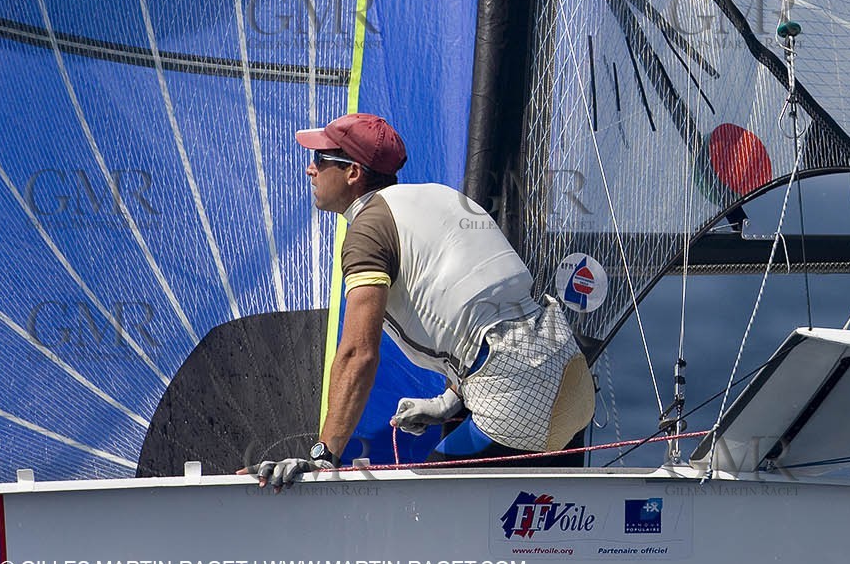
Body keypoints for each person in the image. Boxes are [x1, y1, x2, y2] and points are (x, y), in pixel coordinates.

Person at [249, 112, 593, 489]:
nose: (310, 170)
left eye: (321, 160)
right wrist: (448, 403)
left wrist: (323, 455)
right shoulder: (441, 196)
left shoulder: (367, 231)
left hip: (519, 405)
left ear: (353, 173)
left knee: (422, 508)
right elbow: (490, 313)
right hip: (570, 379)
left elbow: (358, 354)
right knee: (542, 540)